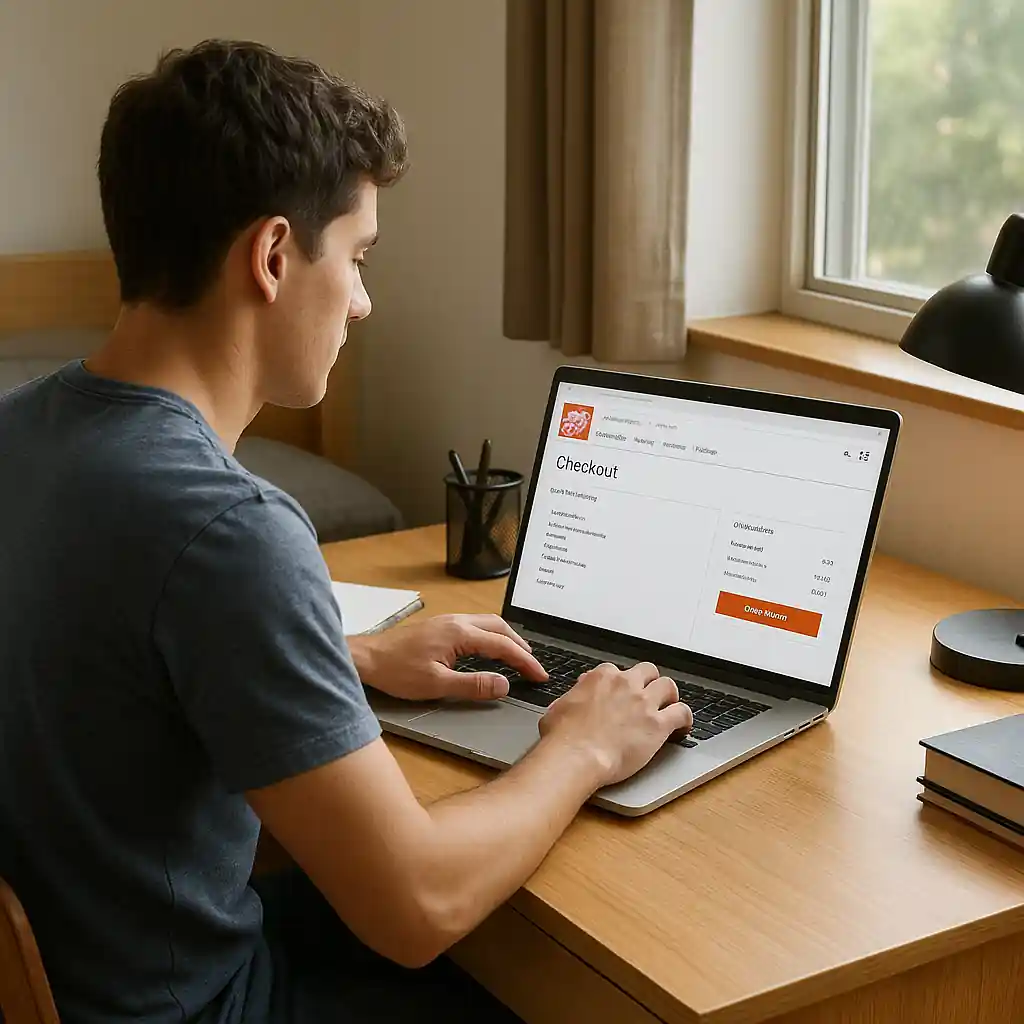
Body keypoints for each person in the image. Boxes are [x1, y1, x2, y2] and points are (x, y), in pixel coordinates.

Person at [0, 39, 693, 1024]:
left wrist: (341, 655)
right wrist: (582, 745)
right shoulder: (230, 530)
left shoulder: (21, 433)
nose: (363, 301)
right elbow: (419, 904)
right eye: (358, 257)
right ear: (274, 256)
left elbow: (102, 653)